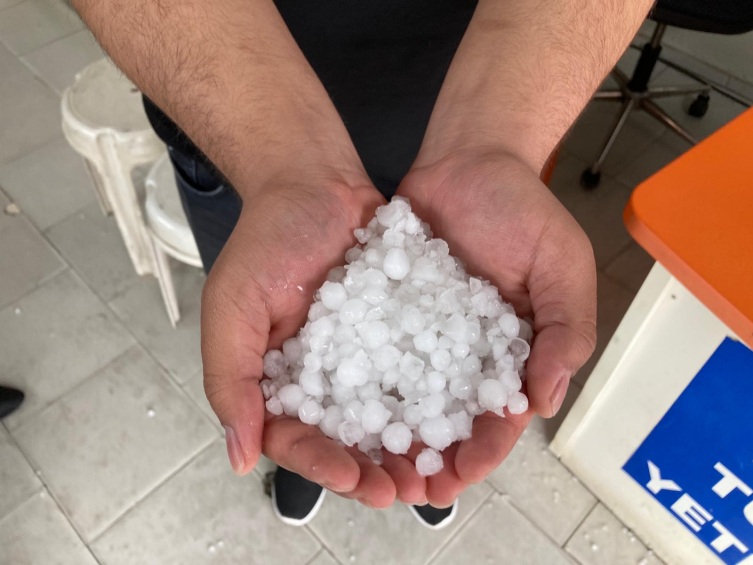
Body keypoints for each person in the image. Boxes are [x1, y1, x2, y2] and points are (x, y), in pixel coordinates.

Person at [70, 0, 653, 529]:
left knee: (429, 456)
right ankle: (313, 464)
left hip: (477, 90)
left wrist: (494, 141)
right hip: (231, 125)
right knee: (267, 328)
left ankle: (428, 466)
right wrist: (284, 169)